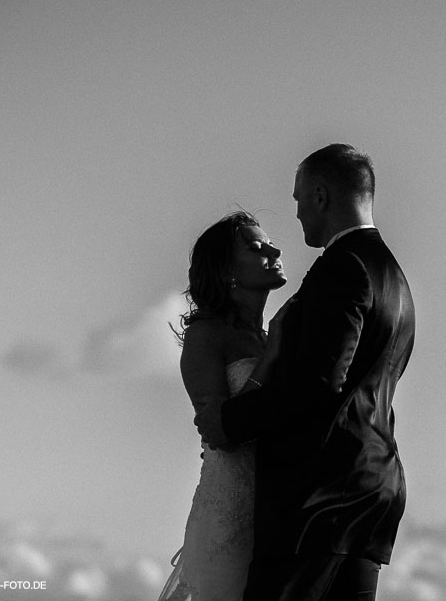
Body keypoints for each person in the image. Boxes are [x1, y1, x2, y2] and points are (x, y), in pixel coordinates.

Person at [195, 144, 416, 601]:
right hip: (372, 495)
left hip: (320, 501)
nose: (295, 215)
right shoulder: (394, 278)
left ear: (320, 195)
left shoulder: (343, 268)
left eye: (297, 199)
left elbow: (317, 385)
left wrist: (228, 422)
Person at [159, 211, 289, 601]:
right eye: (255, 246)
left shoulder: (273, 337)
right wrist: (276, 354)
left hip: (277, 519)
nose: (275, 249)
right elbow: (220, 433)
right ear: (225, 270)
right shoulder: (206, 335)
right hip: (229, 514)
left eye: (268, 242)